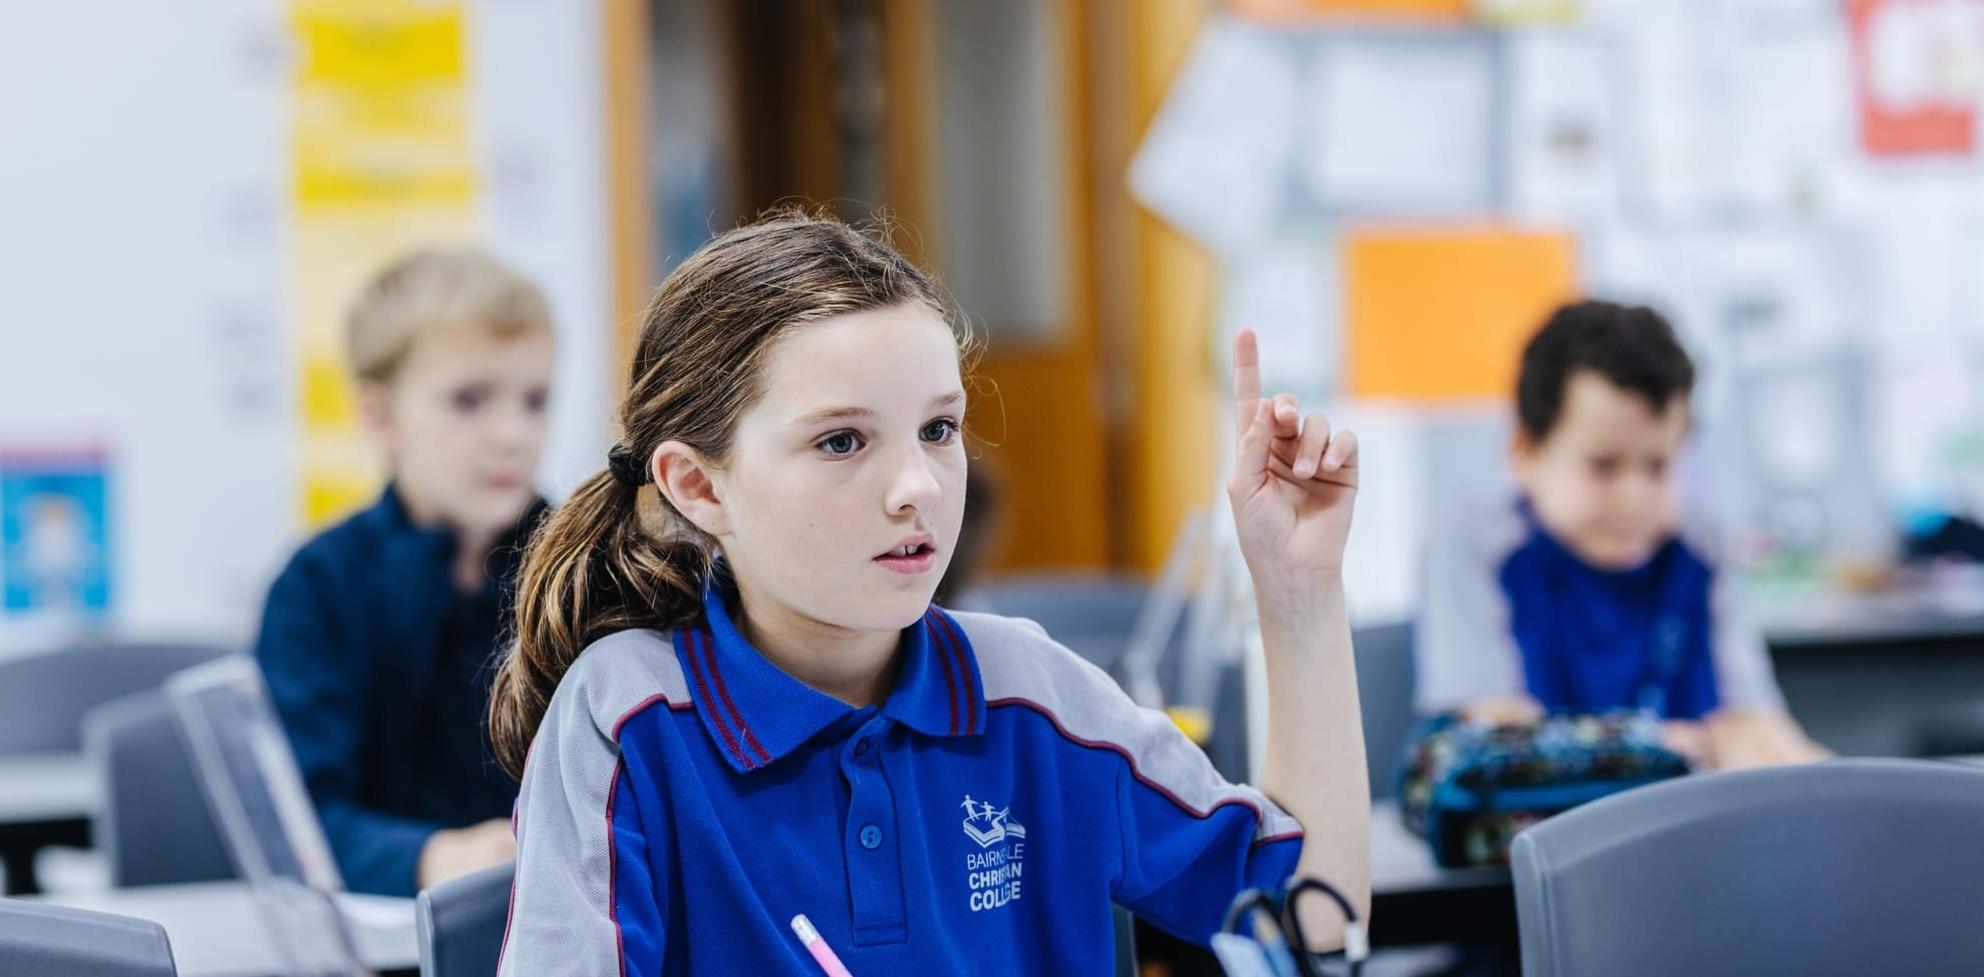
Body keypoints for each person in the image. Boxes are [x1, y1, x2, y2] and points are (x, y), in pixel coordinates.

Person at [488, 213, 1370, 974]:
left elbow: (1315, 914)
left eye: (939, 428)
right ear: (698, 485)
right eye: (841, 441)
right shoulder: (626, 714)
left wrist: (1299, 591)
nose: (918, 485)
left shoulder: (1029, 691)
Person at [255, 248, 554, 895]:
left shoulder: (588, 571)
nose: (513, 435)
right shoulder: (318, 586)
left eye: (535, 401)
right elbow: (298, 823)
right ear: (380, 416)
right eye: (469, 400)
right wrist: (432, 858)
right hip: (387, 923)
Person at [1415, 300, 1826, 769]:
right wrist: (1665, 746)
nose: (1634, 498)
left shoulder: (1700, 548)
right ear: (1525, 452)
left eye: (1658, 466)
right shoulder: (1477, 550)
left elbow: (1754, 726)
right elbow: (1493, 740)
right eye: (1603, 466)